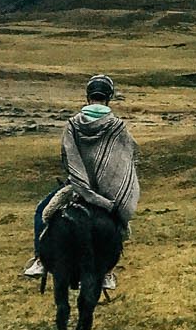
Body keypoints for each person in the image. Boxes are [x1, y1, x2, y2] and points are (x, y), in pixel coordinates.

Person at [24, 75, 141, 292]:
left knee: (43, 211)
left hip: (75, 188)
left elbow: (67, 156)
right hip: (107, 192)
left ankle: (40, 259)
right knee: (120, 224)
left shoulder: (73, 124)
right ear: (109, 98)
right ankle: (107, 272)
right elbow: (126, 156)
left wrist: (80, 180)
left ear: (88, 97)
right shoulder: (118, 127)